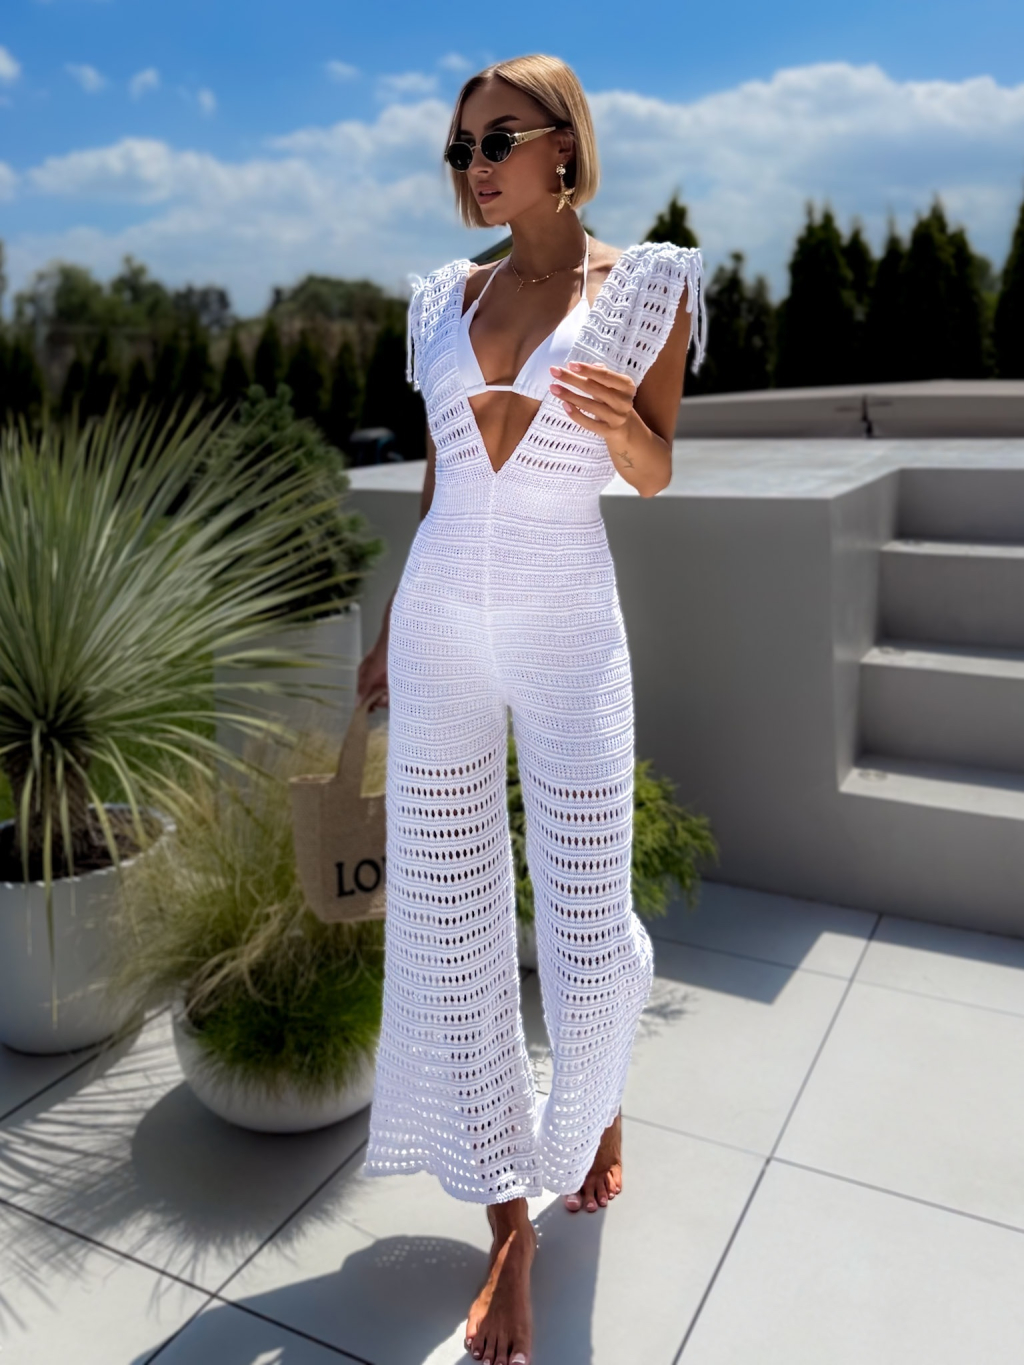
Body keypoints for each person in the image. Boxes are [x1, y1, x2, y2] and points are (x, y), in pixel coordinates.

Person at [355, 52, 705, 1365]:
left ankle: (596, 1101)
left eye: (496, 138)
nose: (474, 167)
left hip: (567, 627)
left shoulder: (648, 287)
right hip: (443, 621)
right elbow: (441, 484)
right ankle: (511, 1221)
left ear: (565, 142)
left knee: (587, 919)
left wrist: (620, 433)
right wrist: (389, 629)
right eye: (459, 149)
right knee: (449, 923)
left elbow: (657, 470)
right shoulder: (442, 300)